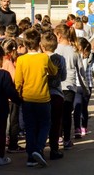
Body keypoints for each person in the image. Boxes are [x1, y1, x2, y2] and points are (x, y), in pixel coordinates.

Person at [14, 28, 58, 168]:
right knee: (45, 125)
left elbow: (18, 81)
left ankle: (30, 156)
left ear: (26, 45)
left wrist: (17, 94)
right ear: (39, 43)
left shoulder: (21, 60)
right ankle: (39, 149)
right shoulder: (44, 58)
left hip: (27, 98)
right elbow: (54, 71)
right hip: (43, 98)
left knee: (30, 127)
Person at [54, 23, 85, 150]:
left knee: (56, 114)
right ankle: (67, 139)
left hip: (56, 86)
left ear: (59, 35)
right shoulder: (74, 50)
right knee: (67, 114)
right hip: (70, 86)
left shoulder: (54, 49)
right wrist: (85, 87)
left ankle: (58, 137)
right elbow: (81, 71)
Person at [41, 30, 66, 160]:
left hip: (41, 94)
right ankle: (54, 149)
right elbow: (63, 77)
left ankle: (39, 148)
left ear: (42, 46)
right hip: (56, 93)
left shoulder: (40, 59)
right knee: (55, 124)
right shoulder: (60, 59)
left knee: (42, 123)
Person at [74, 38, 93, 138]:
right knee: (84, 108)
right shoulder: (91, 56)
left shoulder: (75, 56)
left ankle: (77, 129)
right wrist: (92, 73)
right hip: (87, 85)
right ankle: (84, 127)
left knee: (77, 107)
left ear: (79, 46)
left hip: (77, 84)